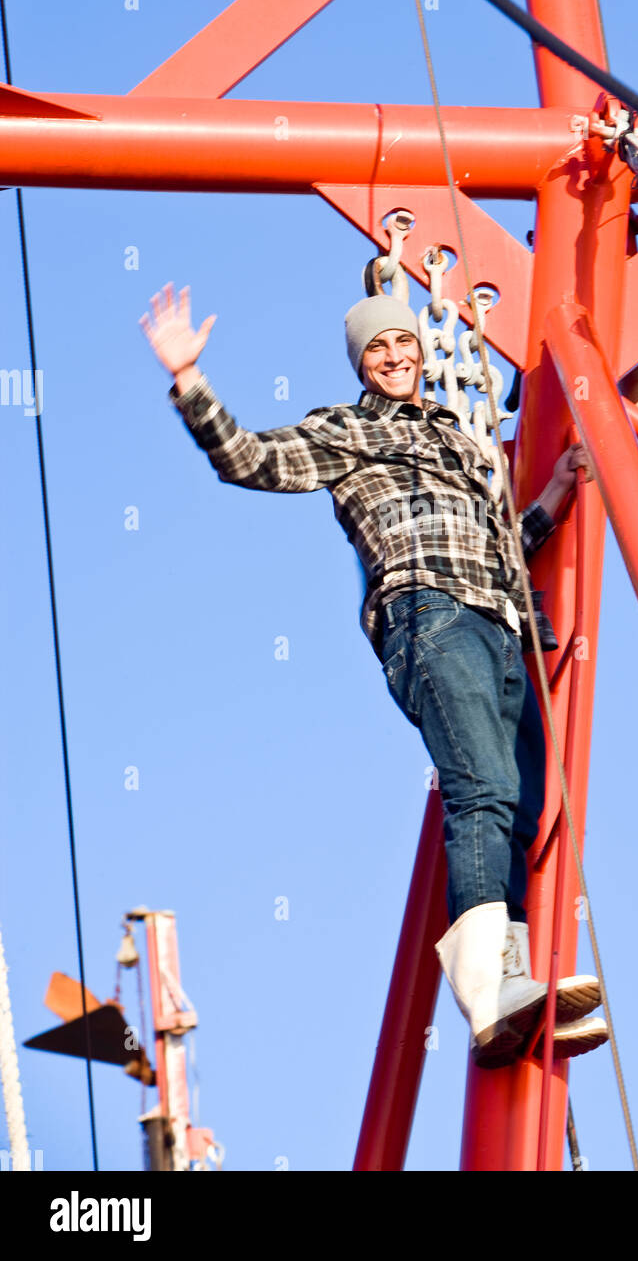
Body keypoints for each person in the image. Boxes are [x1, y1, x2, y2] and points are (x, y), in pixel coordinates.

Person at [139, 282, 608, 1068]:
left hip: (500, 622)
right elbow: (251, 460)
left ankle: (512, 981)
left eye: (401, 343)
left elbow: (497, 546)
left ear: (421, 352)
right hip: (430, 615)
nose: (392, 356)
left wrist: (554, 497)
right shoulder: (346, 430)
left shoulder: (460, 441)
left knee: (527, 806)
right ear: (362, 363)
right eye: (375, 349)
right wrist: (191, 382)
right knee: (483, 787)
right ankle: (486, 986)